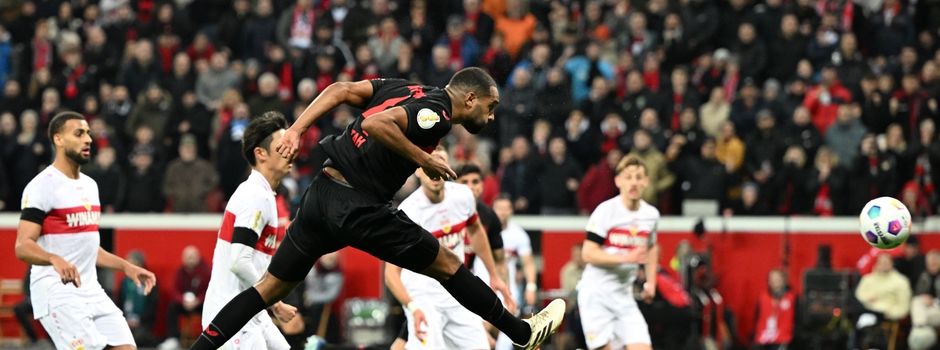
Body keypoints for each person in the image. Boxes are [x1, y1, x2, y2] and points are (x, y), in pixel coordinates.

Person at [191, 68, 565, 350]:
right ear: (470, 99)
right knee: (449, 264)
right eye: (491, 105)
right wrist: (425, 159)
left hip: (321, 194)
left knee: (268, 289)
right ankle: (522, 332)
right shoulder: (437, 112)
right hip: (358, 204)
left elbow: (341, 90)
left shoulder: (405, 87)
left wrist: (297, 129)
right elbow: (375, 123)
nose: (492, 114)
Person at [14, 111, 156, 350]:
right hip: (56, 292)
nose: (88, 139)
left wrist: (126, 266)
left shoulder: (91, 186)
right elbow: (22, 245)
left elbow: (89, 247)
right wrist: (53, 258)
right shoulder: (41, 186)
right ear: (58, 139)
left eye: (88, 133)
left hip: (91, 290)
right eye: (79, 133)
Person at [385, 146, 505, 350]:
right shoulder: (408, 212)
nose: (434, 169)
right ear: (417, 170)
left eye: (439, 162)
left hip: (457, 290)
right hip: (423, 295)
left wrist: (494, 275)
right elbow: (390, 273)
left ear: (447, 167)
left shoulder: (462, 195)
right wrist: (413, 307)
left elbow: (475, 230)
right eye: (428, 163)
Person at [200, 112, 298, 350]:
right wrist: (275, 302)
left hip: (252, 309)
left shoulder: (265, 195)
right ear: (260, 153)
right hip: (232, 312)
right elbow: (239, 261)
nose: (291, 150)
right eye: (281, 145)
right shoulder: (254, 195)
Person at [579, 156, 660, 350]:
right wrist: (626, 258)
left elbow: (652, 246)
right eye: (628, 177)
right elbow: (588, 253)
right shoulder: (605, 211)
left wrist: (651, 282)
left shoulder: (651, 215)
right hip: (596, 295)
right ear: (618, 181)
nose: (633, 182)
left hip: (624, 297)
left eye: (638, 177)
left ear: (646, 182)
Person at [159, 246, 212, 350]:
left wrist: (198, 301)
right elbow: (174, 290)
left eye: (192, 257)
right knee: (172, 308)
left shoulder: (206, 271)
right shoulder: (179, 272)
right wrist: (182, 300)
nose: (190, 260)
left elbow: (209, 290)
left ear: (198, 258)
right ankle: (173, 339)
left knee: (210, 308)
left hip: (200, 304)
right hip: (184, 304)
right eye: (188, 257)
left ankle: (208, 339)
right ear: (183, 258)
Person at [753, 269, 796, 349]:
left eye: (777, 279)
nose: (775, 281)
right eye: (772, 279)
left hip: (783, 339)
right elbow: (757, 318)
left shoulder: (792, 298)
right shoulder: (762, 297)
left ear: (784, 281)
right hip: (763, 339)